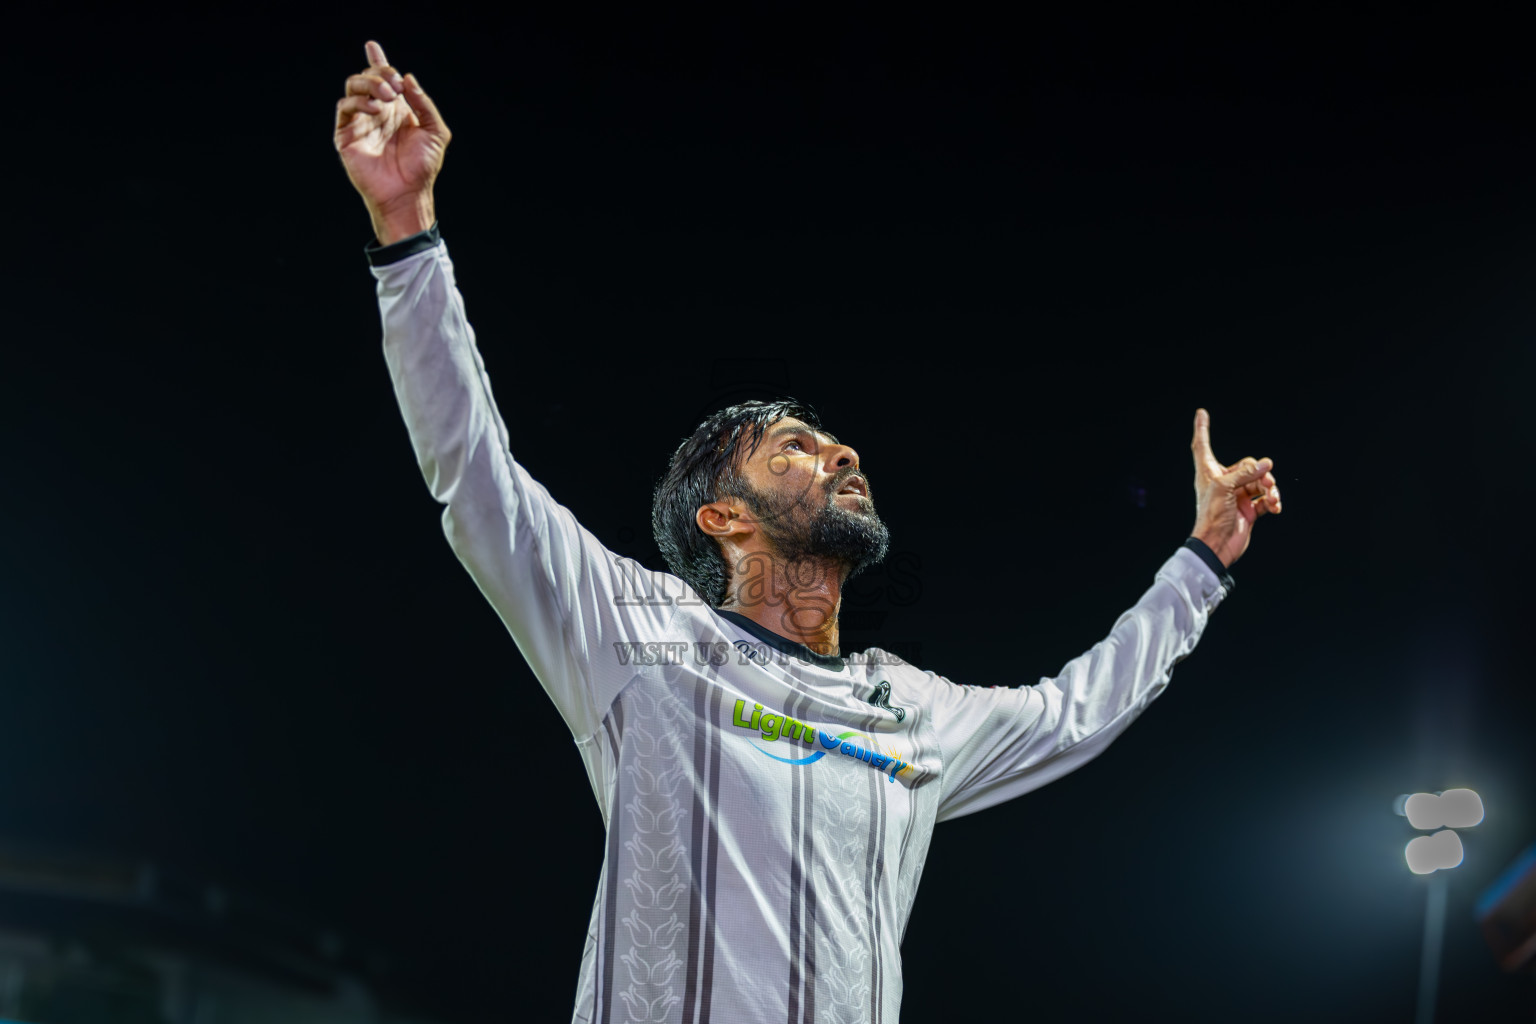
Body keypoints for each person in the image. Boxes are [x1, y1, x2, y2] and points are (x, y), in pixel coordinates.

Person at [333, 40, 1282, 1024]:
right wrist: (406, 229)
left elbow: (1080, 707)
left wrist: (1204, 559)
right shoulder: (642, 637)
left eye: (836, 447)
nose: (839, 456)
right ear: (725, 517)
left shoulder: (913, 709)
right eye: (793, 448)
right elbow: (475, 475)